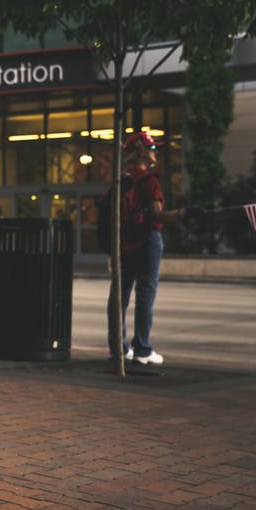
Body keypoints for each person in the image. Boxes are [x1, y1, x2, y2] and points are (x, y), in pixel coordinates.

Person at [106, 131, 200, 366]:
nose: (155, 152)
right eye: (152, 149)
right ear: (140, 151)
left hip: (124, 241)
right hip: (147, 241)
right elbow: (157, 215)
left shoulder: (121, 179)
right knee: (146, 294)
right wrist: (184, 213)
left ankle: (119, 347)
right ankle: (143, 349)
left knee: (119, 296)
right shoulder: (148, 180)